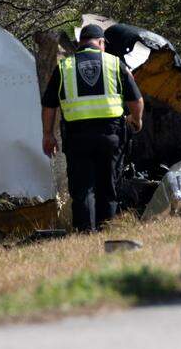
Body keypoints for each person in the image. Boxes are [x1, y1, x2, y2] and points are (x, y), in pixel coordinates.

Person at [41, 24, 145, 232]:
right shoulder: (115, 64)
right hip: (111, 134)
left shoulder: (63, 67)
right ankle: (107, 230)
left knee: (82, 188)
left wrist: (48, 135)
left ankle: (85, 233)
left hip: (77, 136)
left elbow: (49, 105)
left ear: (80, 43)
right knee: (108, 186)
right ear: (100, 43)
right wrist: (136, 119)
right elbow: (136, 99)